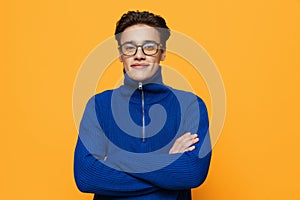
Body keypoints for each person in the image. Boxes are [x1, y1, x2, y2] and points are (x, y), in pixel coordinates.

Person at [74, 11, 212, 200]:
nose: (139, 55)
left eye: (149, 47)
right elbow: (86, 177)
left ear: (162, 53)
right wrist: (167, 161)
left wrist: (116, 160)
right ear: (121, 55)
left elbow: (191, 173)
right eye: (130, 48)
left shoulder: (191, 105)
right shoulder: (99, 105)